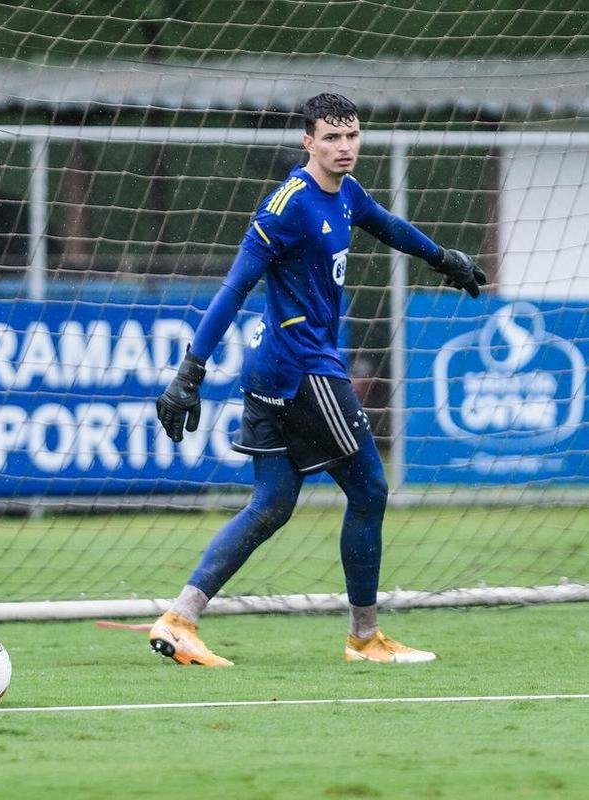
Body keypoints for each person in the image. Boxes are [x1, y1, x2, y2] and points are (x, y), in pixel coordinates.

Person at [150, 93, 485, 666]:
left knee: (272, 503)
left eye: (351, 135)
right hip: (303, 367)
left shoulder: (347, 192)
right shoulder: (287, 207)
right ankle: (364, 638)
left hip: (272, 368)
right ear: (308, 142)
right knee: (371, 490)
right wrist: (190, 371)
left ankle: (180, 618)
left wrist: (442, 258)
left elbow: (389, 227)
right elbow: (234, 288)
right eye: (331, 137)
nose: (344, 146)